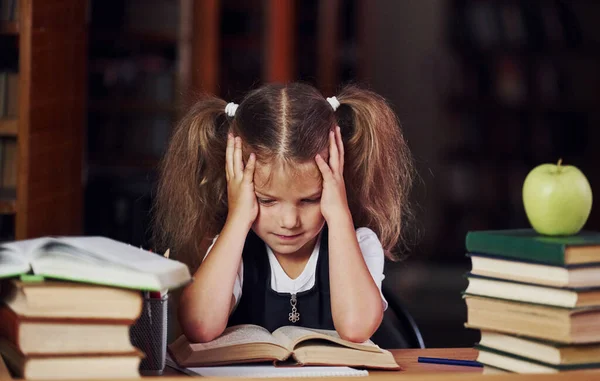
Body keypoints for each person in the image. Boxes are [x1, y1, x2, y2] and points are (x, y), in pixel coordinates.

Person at [153, 82, 414, 344]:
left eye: (310, 200)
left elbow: (356, 328)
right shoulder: (233, 251)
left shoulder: (359, 243)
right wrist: (237, 218)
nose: (289, 222)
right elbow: (199, 326)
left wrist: (339, 215)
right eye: (266, 201)